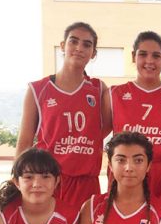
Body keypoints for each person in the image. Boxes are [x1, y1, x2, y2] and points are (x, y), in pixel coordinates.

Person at [16, 21, 112, 208]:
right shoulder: (38, 89)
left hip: (86, 183)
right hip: (49, 180)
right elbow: (24, 141)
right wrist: (17, 182)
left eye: (87, 44)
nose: (79, 48)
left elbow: (104, 128)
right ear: (63, 46)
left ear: (93, 53)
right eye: (73, 41)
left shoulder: (99, 89)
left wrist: (83, 144)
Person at [109, 31, 161, 203]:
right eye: (143, 54)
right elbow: (97, 134)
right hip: (128, 171)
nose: (149, 61)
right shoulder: (114, 94)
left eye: (156, 55)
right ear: (133, 57)